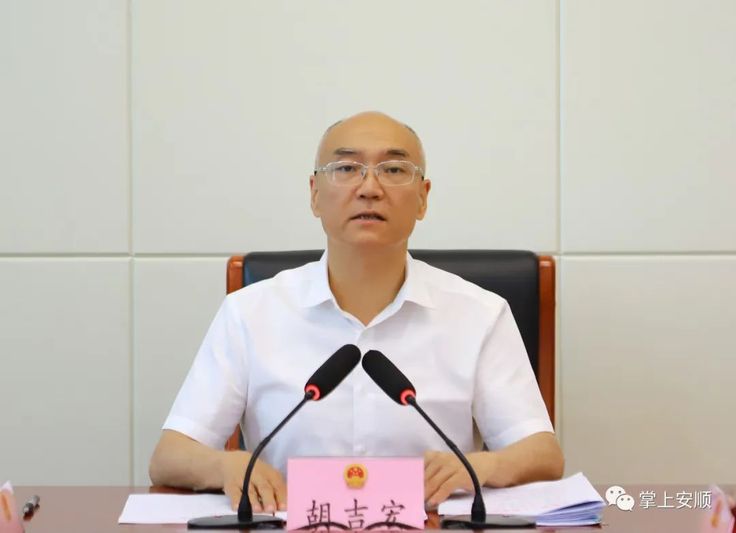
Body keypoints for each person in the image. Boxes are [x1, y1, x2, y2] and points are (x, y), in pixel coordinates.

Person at [149, 111, 564, 514]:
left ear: (423, 198)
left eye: (394, 170)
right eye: (347, 168)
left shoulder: (480, 313)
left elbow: (542, 453)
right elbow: (170, 455)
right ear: (315, 193)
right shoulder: (250, 312)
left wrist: (482, 466)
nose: (369, 188)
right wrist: (225, 465)